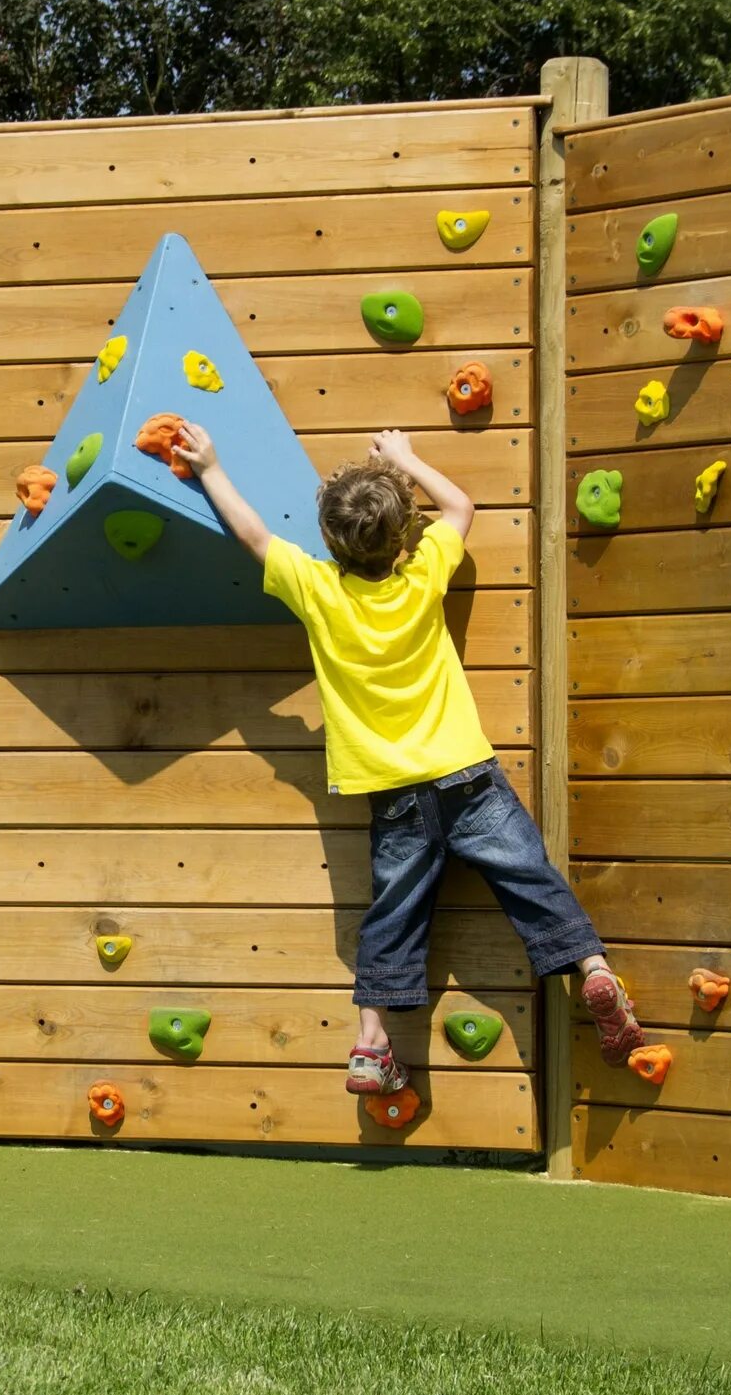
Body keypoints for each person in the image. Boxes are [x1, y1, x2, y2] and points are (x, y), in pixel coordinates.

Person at [176, 422, 645, 1095]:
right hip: (466, 775)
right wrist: (404, 457)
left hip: (393, 794)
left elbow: (253, 535)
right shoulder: (422, 576)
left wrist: (211, 466)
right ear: (402, 544)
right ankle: (594, 973)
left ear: (332, 541)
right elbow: (462, 509)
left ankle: (371, 1046)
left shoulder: (317, 590)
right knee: (532, 882)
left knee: (391, 916)